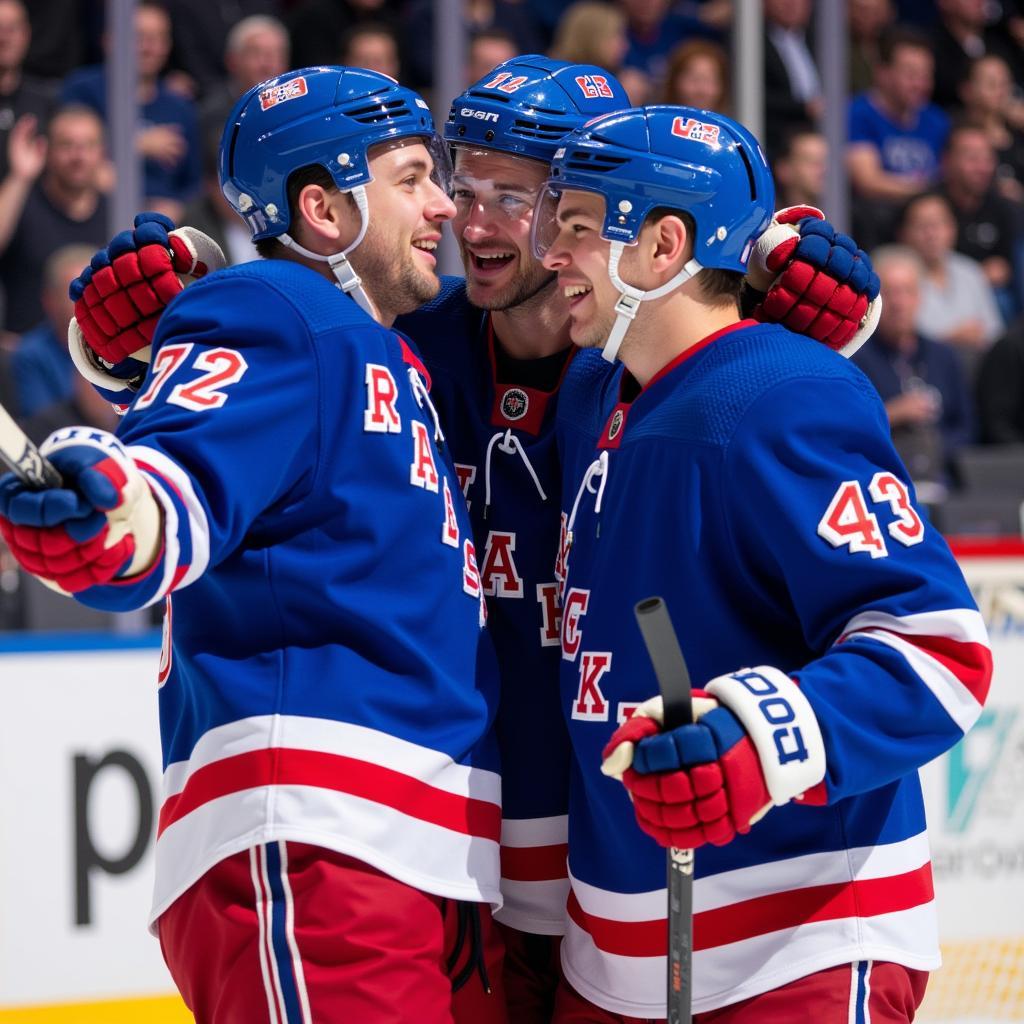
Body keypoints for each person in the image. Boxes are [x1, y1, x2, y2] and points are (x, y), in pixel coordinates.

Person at [62, 57, 884, 1023]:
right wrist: (131, 353)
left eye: (520, 197)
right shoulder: (394, 340)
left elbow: (774, 423)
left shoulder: (655, 367)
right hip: (438, 864)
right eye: (460, 185)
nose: (476, 222)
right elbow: (244, 411)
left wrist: (779, 324)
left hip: (608, 887)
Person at [0, 66, 507, 1024]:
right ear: (322, 208)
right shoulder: (279, 306)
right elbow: (177, 484)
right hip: (319, 834)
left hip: (412, 847)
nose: (443, 204)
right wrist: (115, 518)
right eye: (409, 178)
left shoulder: (383, 348)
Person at [531, 104, 990, 1020]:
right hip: (614, 950)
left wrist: (762, 739)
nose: (552, 252)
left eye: (578, 227)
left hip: (798, 944)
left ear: (663, 247)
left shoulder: (783, 393)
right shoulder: (594, 389)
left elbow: (938, 651)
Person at [61, 0, 201, 222]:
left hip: (165, 225)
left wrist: (179, 207)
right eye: (139, 38)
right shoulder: (83, 90)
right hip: (96, 216)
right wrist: (137, 144)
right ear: (110, 40)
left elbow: (195, 183)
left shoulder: (179, 107)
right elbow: (63, 151)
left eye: (158, 39)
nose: (149, 48)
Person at [853, 244, 974, 499]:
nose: (899, 303)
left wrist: (937, 448)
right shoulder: (856, 360)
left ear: (920, 297)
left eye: (908, 291)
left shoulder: (944, 356)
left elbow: (966, 426)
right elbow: (848, 430)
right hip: (880, 486)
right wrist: (893, 413)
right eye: (891, 292)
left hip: (943, 484)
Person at [0, 103, 107, 334]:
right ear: (47, 150)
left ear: (101, 152)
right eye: (67, 145)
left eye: (88, 145)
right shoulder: (24, 203)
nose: (78, 156)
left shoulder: (117, 209)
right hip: (25, 355)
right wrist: (20, 177)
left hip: (98, 357)